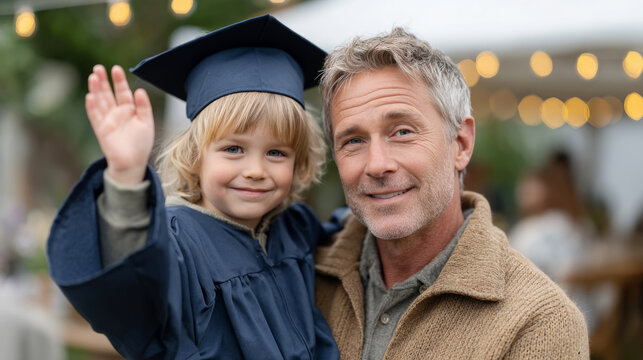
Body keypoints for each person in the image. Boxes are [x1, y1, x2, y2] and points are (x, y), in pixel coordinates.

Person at [47, 15, 340, 359]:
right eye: (234, 149)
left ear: (299, 159)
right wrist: (126, 176)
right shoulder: (175, 242)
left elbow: (352, 239)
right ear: (195, 156)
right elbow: (132, 299)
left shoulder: (295, 227)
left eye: (276, 152)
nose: (256, 170)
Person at [313, 28, 590, 359]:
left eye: (402, 132)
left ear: (461, 144)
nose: (377, 165)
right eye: (353, 141)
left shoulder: (540, 323)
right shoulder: (301, 276)